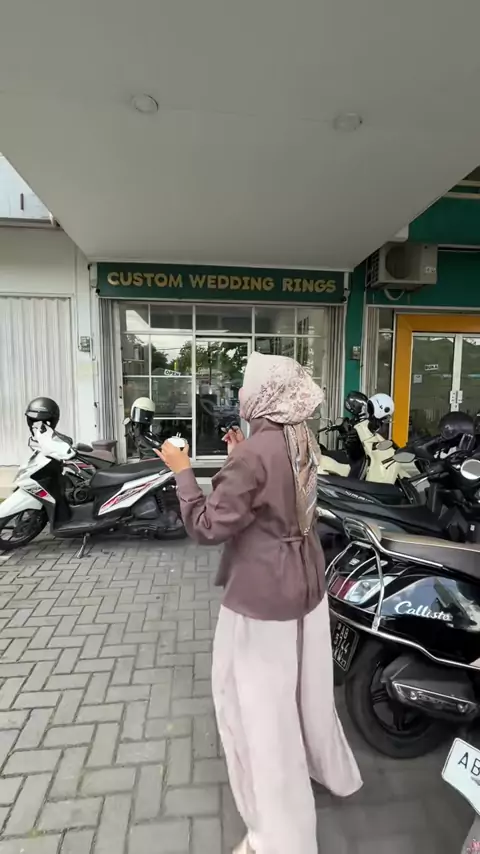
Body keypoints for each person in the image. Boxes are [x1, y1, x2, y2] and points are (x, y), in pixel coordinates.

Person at [157, 352, 362, 854]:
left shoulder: (254, 455)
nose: (243, 393)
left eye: (247, 385)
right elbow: (273, 494)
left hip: (263, 598)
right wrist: (241, 453)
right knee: (305, 695)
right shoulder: (300, 437)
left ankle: (280, 834)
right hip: (307, 584)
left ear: (263, 396)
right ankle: (324, 768)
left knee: (261, 718)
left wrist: (183, 471)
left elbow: (208, 526)